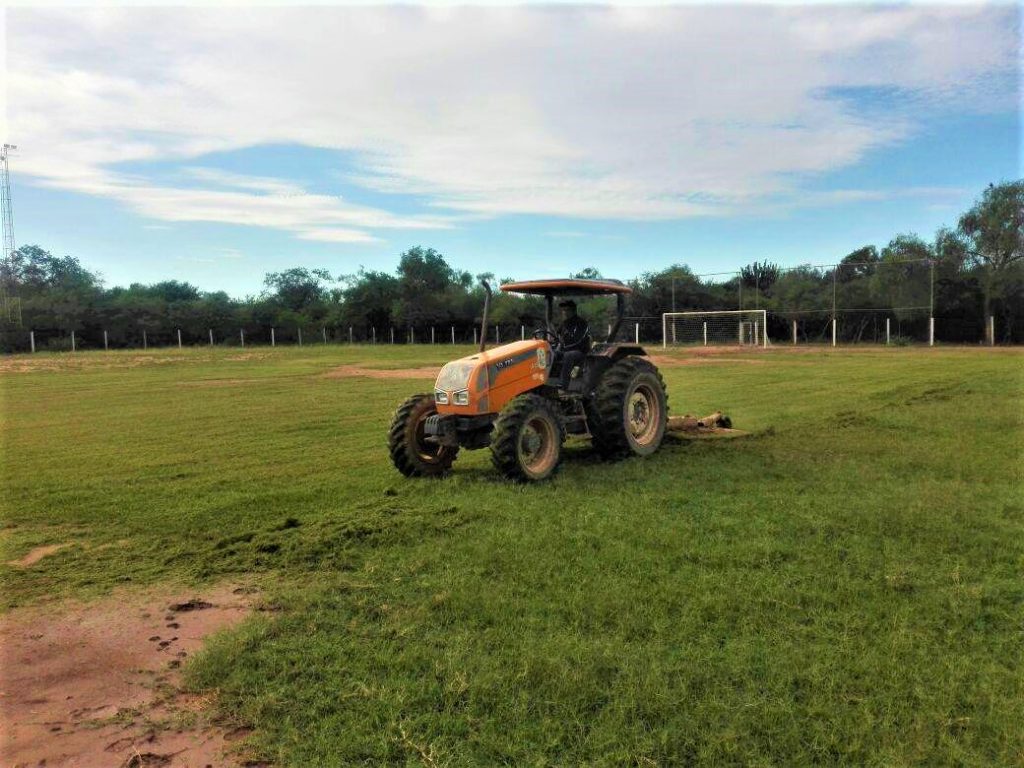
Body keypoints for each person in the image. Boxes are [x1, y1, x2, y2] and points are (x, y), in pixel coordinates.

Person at [556, 299, 590, 389]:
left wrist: (563, 345)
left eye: (567, 310)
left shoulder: (581, 323)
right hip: (565, 350)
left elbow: (578, 340)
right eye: (563, 310)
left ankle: (563, 384)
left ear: (573, 310)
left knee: (568, 355)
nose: (564, 312)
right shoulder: (564, 323)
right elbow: (557, 335)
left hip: (580, 352)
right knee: (550, 353)